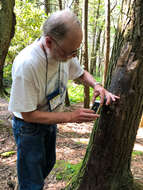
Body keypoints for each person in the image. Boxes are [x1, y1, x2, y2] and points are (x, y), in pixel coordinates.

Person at [8, 9, 119, 190]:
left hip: (51, 120)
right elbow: (27, 115)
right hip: (28, 128)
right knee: (32, 179)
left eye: (76, 51)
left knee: (48, 163)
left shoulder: (63, 53)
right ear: (49, 41)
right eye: (70, 52)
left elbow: (81, 73)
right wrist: (70, 116)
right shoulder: (27, 65)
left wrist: (97, 85)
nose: (73, 56)